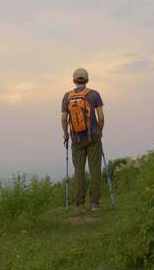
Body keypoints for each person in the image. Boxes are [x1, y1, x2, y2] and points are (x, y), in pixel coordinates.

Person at [61, 68, 105, 211]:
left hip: (76, 139)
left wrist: (66, 134)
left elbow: (63, 118)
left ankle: (79, 205)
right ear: (87, 80)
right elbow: (101, 117)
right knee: (95, 170)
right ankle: (94, 204)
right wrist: (100, 130)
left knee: (79, 171)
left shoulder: (67, 96)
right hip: (93, 137)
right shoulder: (94, 94)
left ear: (74, 80)